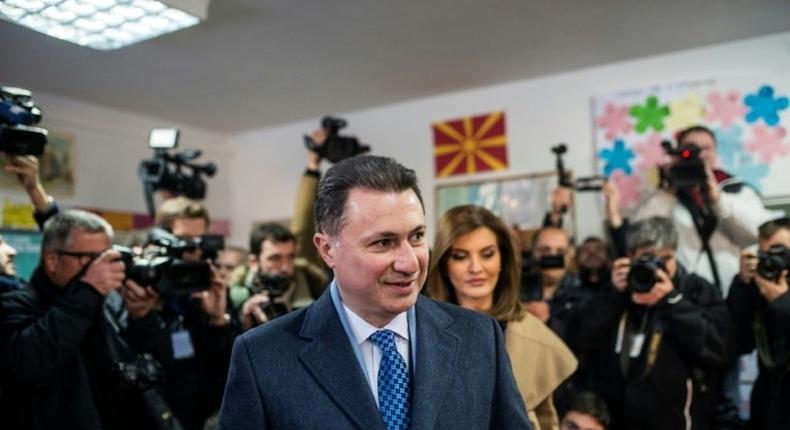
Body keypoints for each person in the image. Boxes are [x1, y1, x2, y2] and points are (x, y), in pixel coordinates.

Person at [219, 155, 531, 429]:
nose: (410, 262)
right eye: (383, 242)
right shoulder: (263, 357)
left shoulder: (479, 337)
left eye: (417, 236)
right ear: (327, 249)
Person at [426, 204, 577, 430]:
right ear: (444, 264)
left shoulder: (533, 335)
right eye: (460, 256)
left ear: (502, 261)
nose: (476, 268)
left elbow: (548, 419)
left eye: (487, 254)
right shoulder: (420, 329)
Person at [574, 216, 732, 430]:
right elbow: (582, 340)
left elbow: (719, 350)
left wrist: (674, 302)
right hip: (619, 420)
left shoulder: (695, 290)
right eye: (647, 259)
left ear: (675, 254)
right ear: (630, 258)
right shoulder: (616, 292)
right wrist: (613, 295)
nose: (658, 269)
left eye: (665, 259)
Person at [0, 210, 149, 429]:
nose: (100, 268)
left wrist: (143, 316)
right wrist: (88, 290)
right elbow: (30, 365)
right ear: (52, 260)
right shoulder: (12, 304)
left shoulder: (102, 307)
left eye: (104, 258)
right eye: (88, 258)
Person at [121, 196, 236, 430]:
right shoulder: (141, 283)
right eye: (183, 241)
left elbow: (229, 372)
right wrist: (144, 315)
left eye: (198, 241)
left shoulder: (209, 285)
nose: (192, 251)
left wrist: (218, 321)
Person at [627, 125, 781, 294]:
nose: (699, 154)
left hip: (736, 289)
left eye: (706, 148)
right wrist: (668, 190)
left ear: (715, 153)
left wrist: (718, 199)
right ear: (678, 153)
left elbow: (764, 232)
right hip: (685, 291)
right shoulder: (665, 194)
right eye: (690, 148)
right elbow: (639, 233)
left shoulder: (734, 188)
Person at [727, 216, 790, 429]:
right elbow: (735, 343)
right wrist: (743, 285)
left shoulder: (777, 297)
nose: (772, 260)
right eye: (765, 254)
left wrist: (782, 303)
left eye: (780, 252)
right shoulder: (761, 288)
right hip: (768, 405)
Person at [234, 222, 329, 330]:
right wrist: (243, 324)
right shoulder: (236, 295)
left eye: (290, 257)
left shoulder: (315, 288)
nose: (285, 267)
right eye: (275, 258)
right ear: (254, 262)